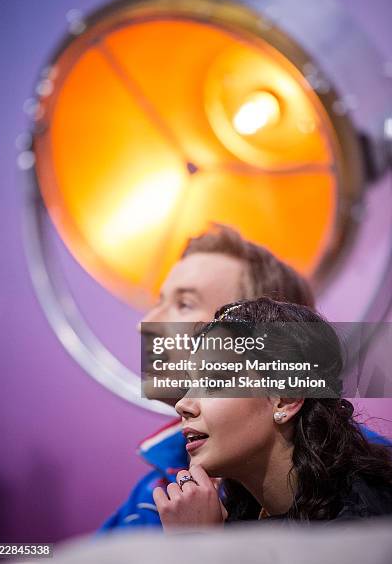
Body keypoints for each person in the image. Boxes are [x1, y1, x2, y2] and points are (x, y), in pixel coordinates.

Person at [100, 225, 388, 531]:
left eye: (184, 303)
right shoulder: (154, 488)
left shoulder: (370, 486)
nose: (147, 325)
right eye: (158, 301)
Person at [154, 298, 392, 529]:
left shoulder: (364, 527)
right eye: (190, 385)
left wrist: (199, 548)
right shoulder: (238, 511)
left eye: (214, 380)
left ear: (285, 401)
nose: (182, 404)